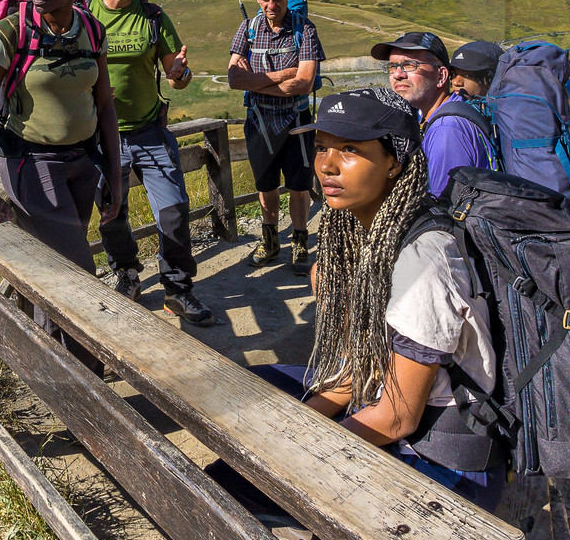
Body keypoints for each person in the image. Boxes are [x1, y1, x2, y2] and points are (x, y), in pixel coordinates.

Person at [204, 89, 504, 515]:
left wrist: (297, 451)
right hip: (373, 402)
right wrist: (297, 427)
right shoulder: (351, 239)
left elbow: (399, 417)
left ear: (395, 161)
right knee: (234, 411)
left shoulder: (423, 260)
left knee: (235, 494)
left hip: (440, 450)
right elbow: (349, 372)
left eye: (350, 149)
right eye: (322, 146)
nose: (326, 164)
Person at [0, 0, 125, 358]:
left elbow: (105, 104)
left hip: (82, 165)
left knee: (56, 271)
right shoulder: (9, 33)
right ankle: (87, 378)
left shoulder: (91, 29)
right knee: (77, 275)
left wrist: (113, 171)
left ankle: (48, 363)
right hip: (31, 166)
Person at [89, 0, 214, 327]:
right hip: (101, 136)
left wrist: (180, 74)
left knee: (174, 211)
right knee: (112, 213)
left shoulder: (153, 16)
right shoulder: (84, 15)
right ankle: (127, 273)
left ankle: (177, 290)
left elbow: (176, 76)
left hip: (148, 130)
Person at [228, 0, 324, 274]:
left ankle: (299, 241)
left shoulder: (305, 29)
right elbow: (232, 79)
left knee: (299, 185)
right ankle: (269, 240)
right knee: (265, 184)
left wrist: (253, 79)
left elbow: (305, 83)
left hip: (297, 122)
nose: (272, 5)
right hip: (259, 122)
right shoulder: (247, 28)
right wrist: (283, 74)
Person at [372, 32, 491, 198]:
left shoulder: (447, 129)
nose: (398, 75)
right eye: (392, 67)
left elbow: (442, 206)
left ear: (441, 75)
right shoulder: (435, 115)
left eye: (409, 65)